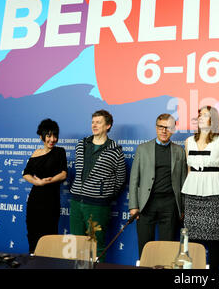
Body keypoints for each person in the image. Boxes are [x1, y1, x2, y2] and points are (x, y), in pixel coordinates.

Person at [69, 110, 126, 261]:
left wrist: (104, 194)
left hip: (98, 205)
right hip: (76, 202)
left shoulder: (115, 150)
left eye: (98, 122)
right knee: (76, 244)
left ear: (108, 125)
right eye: (93, 122)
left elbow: (120, 178)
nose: (94, 125)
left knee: (96, 246)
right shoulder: (81, 145)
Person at [128, 114, 187, 258]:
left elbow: (183, 181)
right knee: (145, 248)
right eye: (161, 127)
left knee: (167, 250)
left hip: (170, 205)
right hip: (146, 204)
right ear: (156, 128)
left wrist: (183, 207)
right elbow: (134, 179)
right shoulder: (143, 149)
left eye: (168, 128)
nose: (164, 131)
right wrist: (133, 206)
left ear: (173, 129)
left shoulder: (179, 151)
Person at [181, 106, 219, 269]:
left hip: (214, 195)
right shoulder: (188, 142)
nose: (201, 118)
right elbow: (189, 171)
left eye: (205, 115)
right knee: (192, 241)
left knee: (214, 241)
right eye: (199, 115)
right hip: (192, 196)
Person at [23, 119, 67, 253]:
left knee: (49, 235)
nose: (52, 139)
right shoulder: (35, 153)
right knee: (32, 233)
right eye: (48, 136)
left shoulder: (59, 152)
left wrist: (49, 180)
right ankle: (33, 259)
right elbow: (26, 174)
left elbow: (63, 174)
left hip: (51, 201)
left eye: (55, 136)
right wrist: (38, 182)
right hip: (34, 201)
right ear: (41, 136)